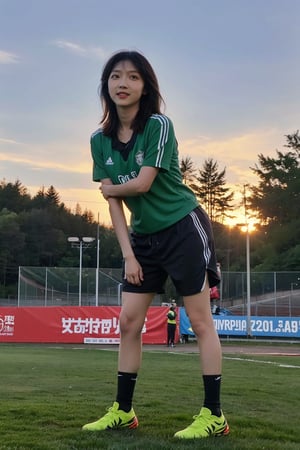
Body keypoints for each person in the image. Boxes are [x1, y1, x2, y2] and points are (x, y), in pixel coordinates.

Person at [82, 50, 229, 439]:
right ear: (106, 85)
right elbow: (113, 203)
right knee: (128, 322)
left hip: (183, 228)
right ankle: (123, 411)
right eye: (115, 76)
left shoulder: (159, 125)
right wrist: (129, 253)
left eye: (132, 77)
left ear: (145, 85)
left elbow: (141, 184)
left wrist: (110, 188)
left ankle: (214, 415)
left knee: (199, 321)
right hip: (143, 238)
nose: (123, 84)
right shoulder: (99, 140)